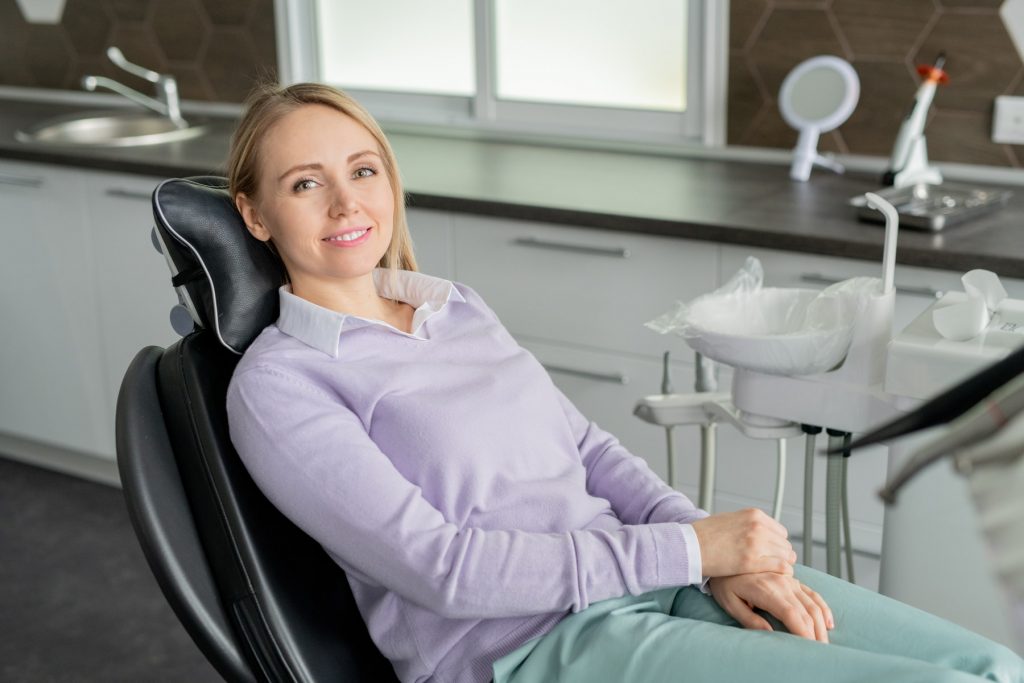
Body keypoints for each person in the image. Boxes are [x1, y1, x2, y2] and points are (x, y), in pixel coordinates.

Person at [224, 82, 1023, 683]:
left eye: (363, 170)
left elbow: (585, 446)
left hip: (647, 576)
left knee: (990, 666)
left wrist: (712, 557)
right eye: (304, 183)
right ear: (255, 215)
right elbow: (443, 570)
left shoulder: (450, 306)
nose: (345, 202)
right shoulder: (281, 384)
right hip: (529, 647)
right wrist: (686, 546)